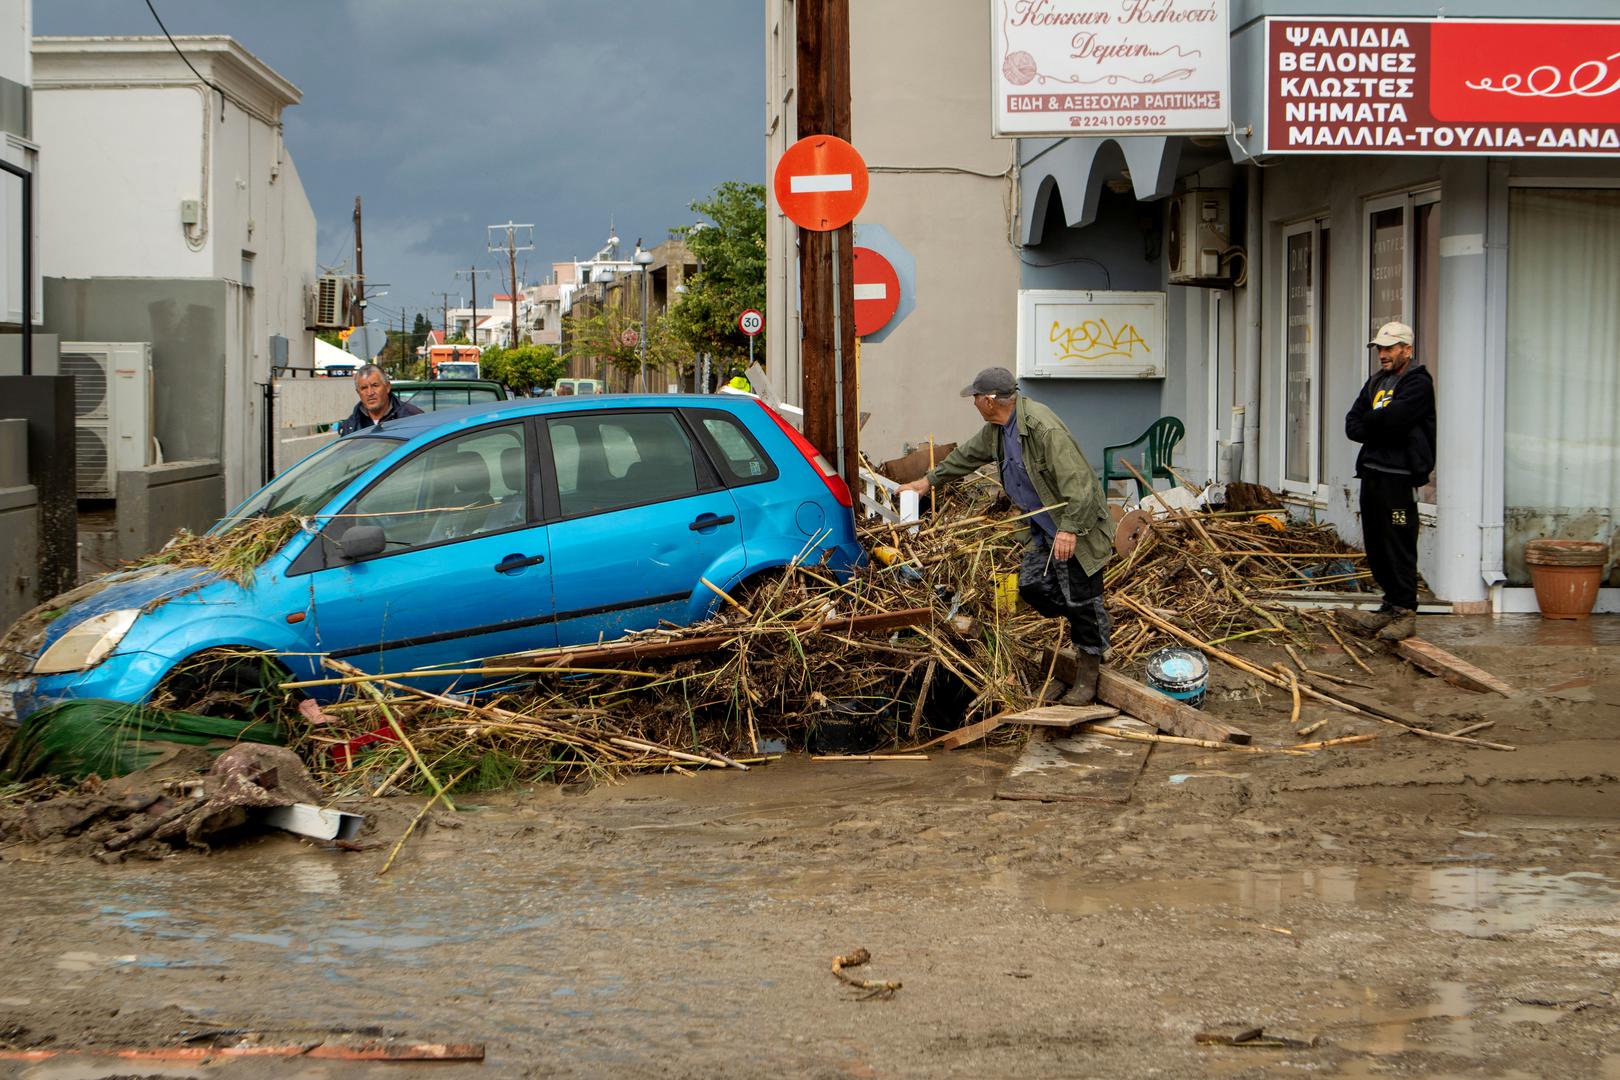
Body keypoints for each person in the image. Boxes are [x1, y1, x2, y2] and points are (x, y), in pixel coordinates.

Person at [898, 367, 1112, 705]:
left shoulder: (1042, 428)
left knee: (1081, 599)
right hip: (1043, 530)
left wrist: (1070, 528)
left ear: (989, 400)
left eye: (975, 398)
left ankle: (1088, 676)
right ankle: (1094, 632)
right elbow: (966, 456)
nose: (973, 403)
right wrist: (927, 481)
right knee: (1032, 586)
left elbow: (1079, 483)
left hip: (1076, 526)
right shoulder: (998, 430)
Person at [1342, 321, 1436, 642]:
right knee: (1376, 543)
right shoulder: (1376, 382)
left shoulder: (1418, 383)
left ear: (1406, 350)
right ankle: (1390, 605)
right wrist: (1378, 422)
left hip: (1399, 477)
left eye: (1389, 348)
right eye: (1380, 348)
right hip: (1371, 472)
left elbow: (1396, 421)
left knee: (1398, 540)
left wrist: (1375, 422)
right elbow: (1352, 424)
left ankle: (1405, 610)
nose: (1382, 354)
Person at [337, 364, 424, 436]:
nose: (370, 393)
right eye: (364, 388)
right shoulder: (350, 426)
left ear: (387, 387)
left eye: (375, 385)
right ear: (358, 392)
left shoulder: (412, 417)